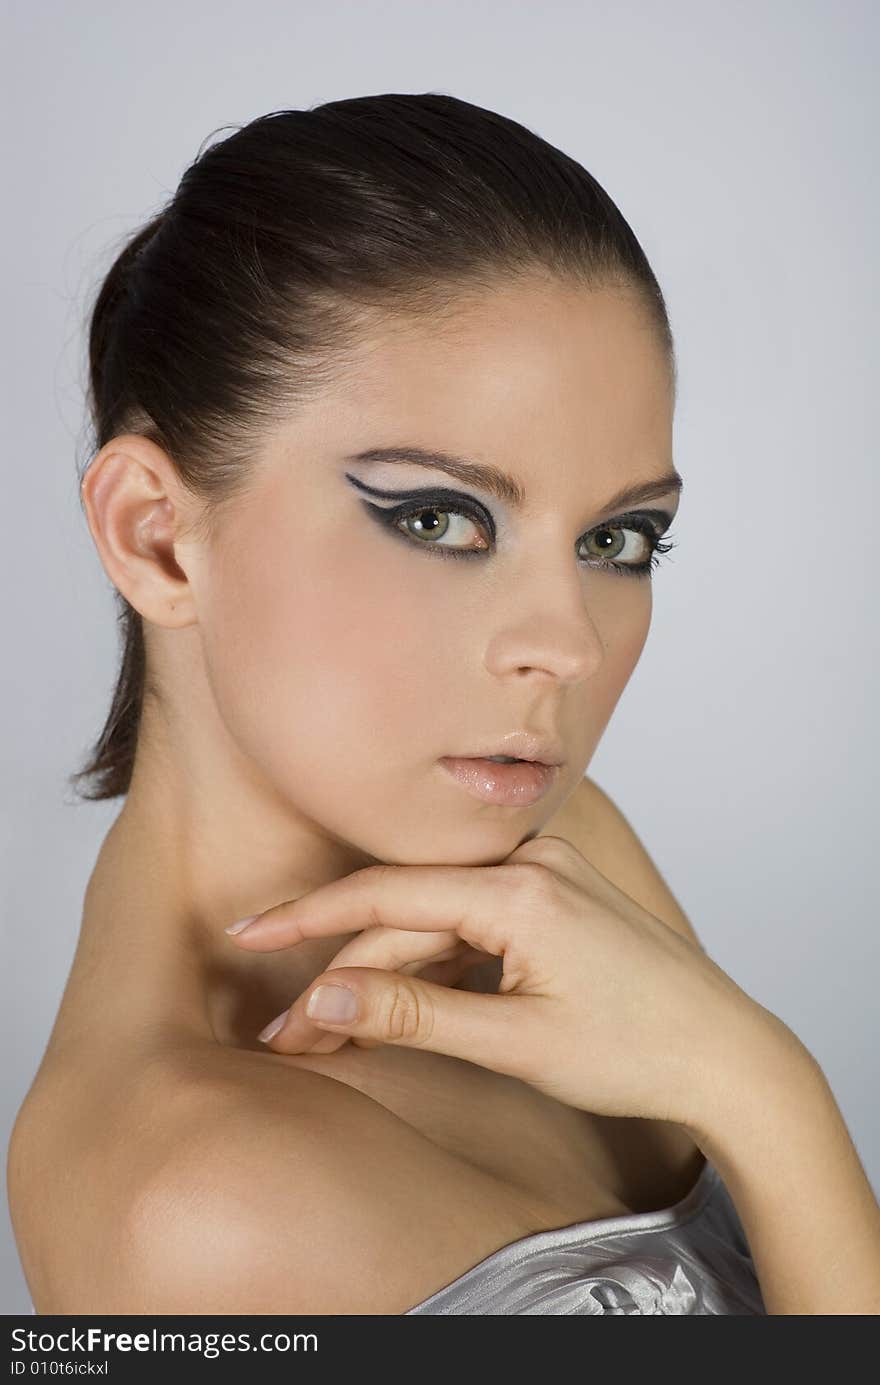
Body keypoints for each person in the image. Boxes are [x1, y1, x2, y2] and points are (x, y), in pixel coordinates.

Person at [8, 92, 879, 1316]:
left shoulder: (550, 860)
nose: (565, 644)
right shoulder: (205, 1210)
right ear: (157, 538)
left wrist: (752, 1082)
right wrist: (767, 1098)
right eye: (437, 518)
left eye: (621, 538)